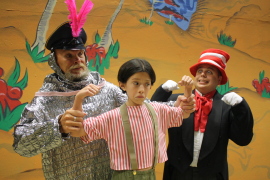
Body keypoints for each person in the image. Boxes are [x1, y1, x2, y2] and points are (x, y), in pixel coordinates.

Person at [12, 14, 128, 180]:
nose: (77, 60)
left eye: (80, 54)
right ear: (55, 61)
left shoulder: (107, 90)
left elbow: (142, 109)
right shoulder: (45, 100)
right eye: (68, 55)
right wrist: (58, 126)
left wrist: (171, 98)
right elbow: (21, 145)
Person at [68, 58, 196, 180]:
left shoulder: (158, 110)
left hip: (150, 174)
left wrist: (188, 89)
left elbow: (183, 113)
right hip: (123, 176)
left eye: (146, 84)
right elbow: (77, 131)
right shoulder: (112, 117)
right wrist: (79, 98)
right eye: (136, 83)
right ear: (123, 85)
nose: (141, 90)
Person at [151, 48, 254, 180]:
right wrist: (162, 92)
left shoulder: (227, 106)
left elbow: (243, 139)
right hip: (177, 172)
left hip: (212, 175)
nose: (203, 75)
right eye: (200, 71)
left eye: (209, 72)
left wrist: (241, 107)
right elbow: (151, 121)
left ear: (219, 78)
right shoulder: (176, 101)